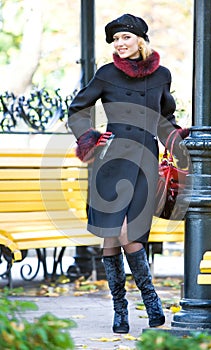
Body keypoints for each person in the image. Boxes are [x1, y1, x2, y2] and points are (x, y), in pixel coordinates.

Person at [68, 13, 189, 333]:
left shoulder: (162, 75)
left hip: (145, 161)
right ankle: (130, 305)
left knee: (128, 233)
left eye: (125, 38)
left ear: (141, 40)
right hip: (110, 161)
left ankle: (136, 306)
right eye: (115, 40)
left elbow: (164, 119)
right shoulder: (106, 74)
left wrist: (179, 142)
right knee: (116, 231)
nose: (119, 44)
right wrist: (89, 139)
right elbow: (78, 110)